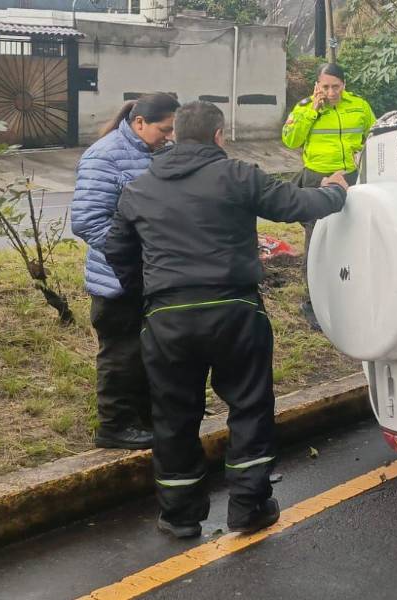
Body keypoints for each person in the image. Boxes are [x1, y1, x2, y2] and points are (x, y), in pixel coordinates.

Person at [105, 101, 350, 538]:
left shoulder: (139, 188)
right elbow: (295, 204)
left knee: (174, 416)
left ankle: (179, 517)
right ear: (219, 135)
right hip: (235, 311)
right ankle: (249, 507)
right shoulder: (239, 175)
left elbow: (116, 250)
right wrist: (335, 191)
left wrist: (148, 293)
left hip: (168, 318)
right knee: (249, 407)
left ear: (175, 135)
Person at [72, 93, 180, 450]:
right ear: (139, 124)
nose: (169, 136)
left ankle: (144, 417)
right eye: (164, 129)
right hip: (118, 279)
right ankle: (115, 426)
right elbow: (87, 220)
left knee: (146, 350)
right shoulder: (104, 156)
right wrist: (129, 257)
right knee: (120, 354)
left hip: (151, 274)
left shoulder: (156, 153)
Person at [281, 63, 375, 329]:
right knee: (317, 242)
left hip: (351, 178)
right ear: (317, 86)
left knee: (353, 237)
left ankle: (352, 293)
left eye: (336, 86)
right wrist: (313, 112)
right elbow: (290, 140)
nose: (331, 92)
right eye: (325, 87)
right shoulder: (304, 108)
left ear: (344, 85)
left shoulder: (359, 106)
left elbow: (373, 133)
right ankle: (313, 305)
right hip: (316, 180)